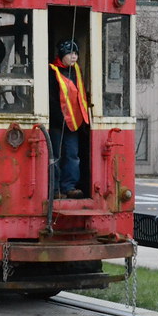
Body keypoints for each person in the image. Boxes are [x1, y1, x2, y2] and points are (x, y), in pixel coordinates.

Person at [48, 40, 89, 199]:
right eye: (71, 53)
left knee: (72, 154)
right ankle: (55, 189)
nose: (74, 57)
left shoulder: (76, 71)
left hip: (74, 122)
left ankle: (69, 186)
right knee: (56, 156)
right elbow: (52, 99)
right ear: (62, 55)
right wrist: (58, 118)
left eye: (76, 54)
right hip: (58, 122)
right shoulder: (52, 71)